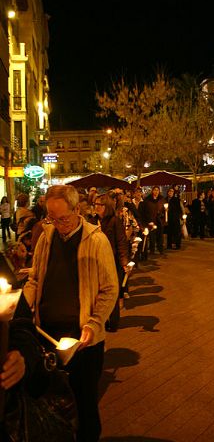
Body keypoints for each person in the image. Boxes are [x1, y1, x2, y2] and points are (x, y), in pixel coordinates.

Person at [23, 185, 118, 442]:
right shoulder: (47, 236)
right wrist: (22, 307)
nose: (58, 224)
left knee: (85, 402)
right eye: (51, 219)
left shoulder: (96, 240)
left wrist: (94, 324)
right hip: (46, 334)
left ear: (78, 210)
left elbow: (110, 289)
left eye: (63, 218)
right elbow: (34, 278)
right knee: (49, 400)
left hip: (83, 341)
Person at [91, 193, 129, 317]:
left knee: (111, 291)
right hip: (95, 261)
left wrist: (124, 262)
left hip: (111, 260)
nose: (96, 207)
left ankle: (113, 320)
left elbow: (121, 242)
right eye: (95, 204)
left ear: (106, 206)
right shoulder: (91, 221)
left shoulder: (114, 221)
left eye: (100, 204)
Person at [142, 186, 165, 255]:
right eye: (155, 190)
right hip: (151, 220)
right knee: (152, 236)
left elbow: (164, 209)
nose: (156, 191)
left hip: (159, 220)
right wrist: (148, 220)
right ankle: (152, 250)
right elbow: (145, 210)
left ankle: (160, 249)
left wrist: (163, 214)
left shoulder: (161, 199)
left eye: (157, 190)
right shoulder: (147, 200)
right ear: (152, 191)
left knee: (160, 235)